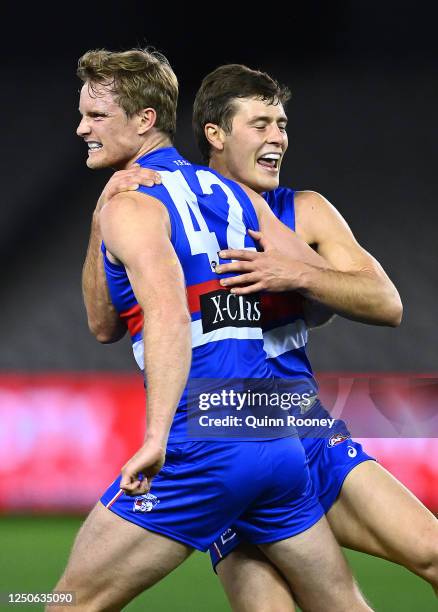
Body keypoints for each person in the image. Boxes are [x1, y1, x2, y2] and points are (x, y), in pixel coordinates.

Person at [91, 63, 437, 609]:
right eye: (262, 124)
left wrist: (295, 273)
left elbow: (386, 302)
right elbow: (108, 322)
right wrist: (108, 207)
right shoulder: (175, 208)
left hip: (301, 425)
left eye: (281, 124)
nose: (278, 137)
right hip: (229, 430)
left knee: (431, 550)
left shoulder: (301, 211)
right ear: (216, 134)